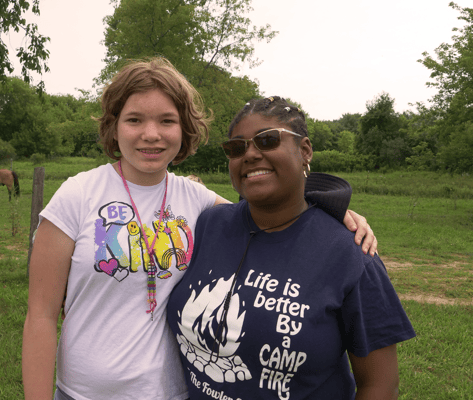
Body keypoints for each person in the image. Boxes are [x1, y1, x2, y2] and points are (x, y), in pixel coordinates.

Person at [22, 58, 376, 400]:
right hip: (81, 394)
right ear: (114, 127)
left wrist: (331, 208)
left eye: (166, 121)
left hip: (173, 393)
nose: (151, 134)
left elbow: (272, 207)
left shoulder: (197, 201)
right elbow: (41, 315)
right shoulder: (77, 195)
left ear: (184, 128)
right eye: (134, 120)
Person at [167, 96, 416, 400]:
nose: (250, 154)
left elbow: (379, 385)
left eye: (267, 140)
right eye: (237, 147)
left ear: (305, 150)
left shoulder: (349, 253)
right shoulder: (209, 225)